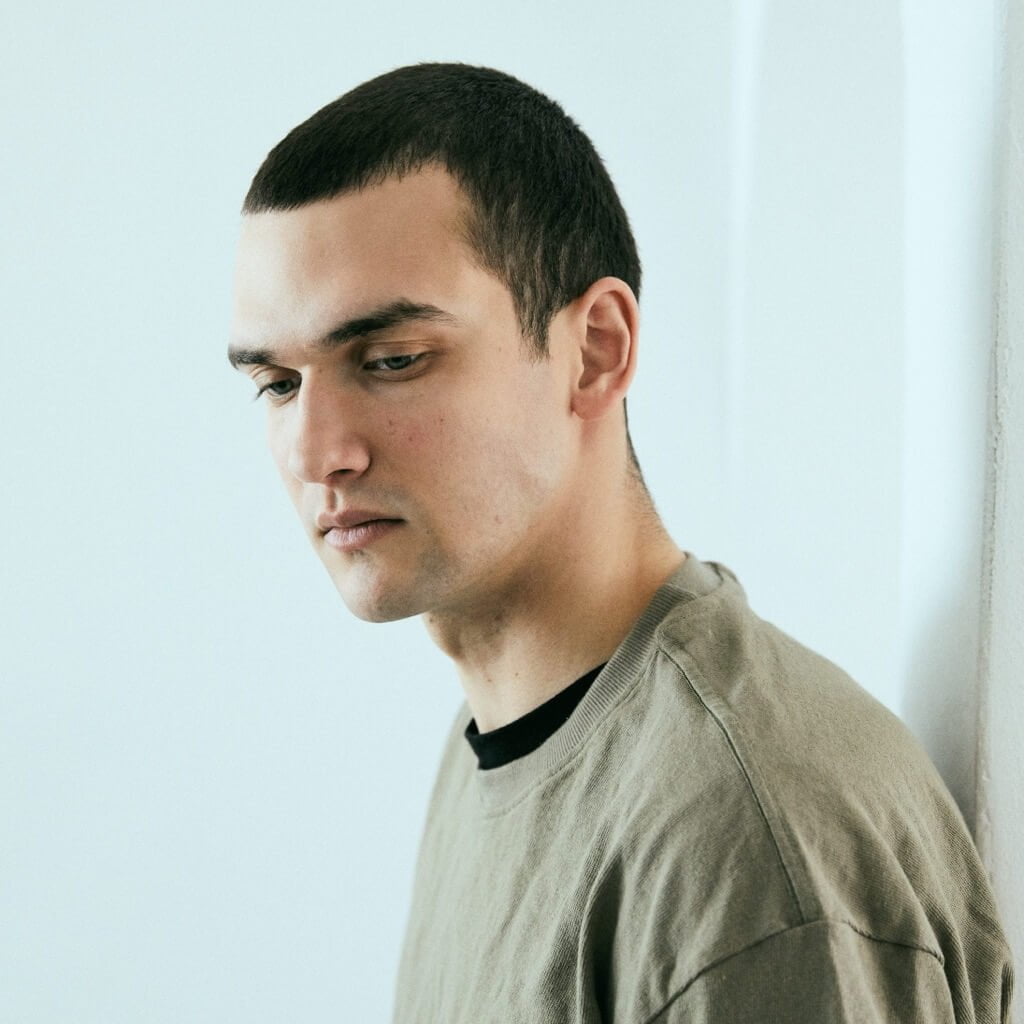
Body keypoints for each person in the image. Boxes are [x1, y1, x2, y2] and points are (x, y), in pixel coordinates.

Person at [228, 63, 1013, 1023]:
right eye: (277, 384)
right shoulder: (494, 741)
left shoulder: (743, 839)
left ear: (596, 349)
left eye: (393, 360)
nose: (316, 452)